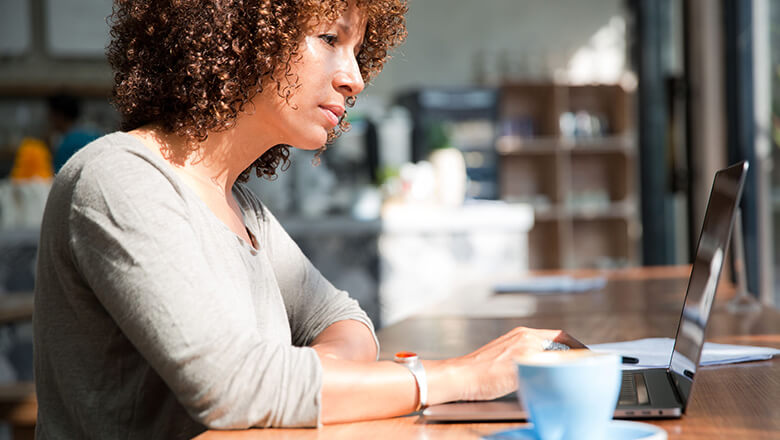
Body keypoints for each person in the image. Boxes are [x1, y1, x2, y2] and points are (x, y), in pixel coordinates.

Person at [33, 1, 584, 438]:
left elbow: (345, 320)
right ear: (240, 31)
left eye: (359, 50)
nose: (355, 78)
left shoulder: (239, 205)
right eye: (330, 39)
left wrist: (302, 380)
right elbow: (232, 389)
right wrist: (461, 376)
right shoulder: (117, 178)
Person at [46, 93, 101, 172]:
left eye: (51, 114)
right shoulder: (95, 134)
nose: (49, 119)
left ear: (59, 115)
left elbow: (58, 177)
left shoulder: (67, 144)